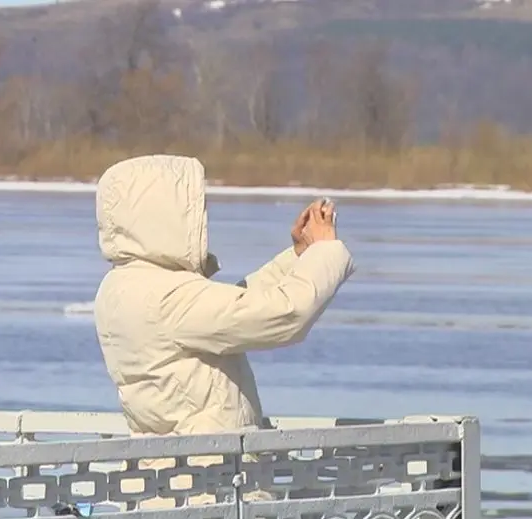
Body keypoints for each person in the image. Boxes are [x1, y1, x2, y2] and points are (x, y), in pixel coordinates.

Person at [94, 154, 355, 506]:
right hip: (210, 490)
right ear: (160, 216)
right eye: (193, 211)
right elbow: (284, 315)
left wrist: (298, 258)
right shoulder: (168, 297)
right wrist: (325, 252)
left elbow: (233, 308)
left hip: (171, 484)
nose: (201, 222)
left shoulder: (123, 287)